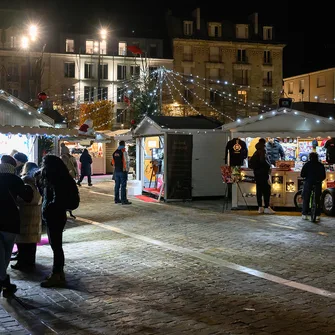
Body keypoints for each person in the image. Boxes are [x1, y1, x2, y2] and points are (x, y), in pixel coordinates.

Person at [37, 155, 73, 287]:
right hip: (57, 215)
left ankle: (57, 274)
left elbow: (54, 199)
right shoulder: (59, 177)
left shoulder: (55, 180)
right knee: (56, 245)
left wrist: (50, 207)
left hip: (54, 215)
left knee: (56, 246)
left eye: (44, 163)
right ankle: (58, 273)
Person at [0, 155, 33, 296]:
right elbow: (27, 197)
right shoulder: (16, 179)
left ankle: (4, 280)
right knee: (6, 254)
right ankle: (4, 281)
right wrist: (29, 187)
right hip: (10, 221)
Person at [11, 162, 42, 271]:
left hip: (24, 212)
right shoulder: (38, 180)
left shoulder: (24, 180)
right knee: (32, 241)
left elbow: (21, 197)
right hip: (36, 212)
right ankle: (30, 261)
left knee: (23, 240)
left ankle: (22, 262)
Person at [249, 141, 275, 214]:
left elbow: (251, 164)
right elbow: (264, 162)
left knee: (259, 191)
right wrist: (268, 166)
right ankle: (266, 207)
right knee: (267, 191)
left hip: (257, 175)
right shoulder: (262, 152)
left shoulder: (255, 153)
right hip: (263, 174)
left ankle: (260, 207)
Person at [300, 152, 326, 221]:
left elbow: (302, 174)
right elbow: (324, 176)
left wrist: (306, 177)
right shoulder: (320, 165)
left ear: (309, 157)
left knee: (306, 197)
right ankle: (317, 214)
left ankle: (304, 214)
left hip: (309, 182)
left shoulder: (307, 164)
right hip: (317, 183)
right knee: (317, 198)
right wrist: (319, 180)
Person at [112, 140, 131, 205]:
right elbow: (126, 161)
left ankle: (116, 199)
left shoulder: (115, 152)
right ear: (124, 144)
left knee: (117, 185)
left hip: (116, 171)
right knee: (123, 186)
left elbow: (112, 162)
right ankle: (123, 200)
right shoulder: (123, 152)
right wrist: (127, 170)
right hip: (122, 171)